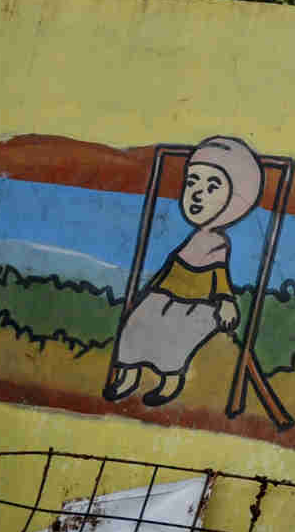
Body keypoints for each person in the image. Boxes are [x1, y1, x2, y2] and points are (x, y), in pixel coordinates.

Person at [104, 136, 263, 407]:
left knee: (177, 338)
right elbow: (171, 271)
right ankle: (128, 376)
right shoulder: (193, 238)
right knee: (135, 324)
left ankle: (170, 382)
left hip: (196, 305)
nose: (198, 193)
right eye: (192, 183)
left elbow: (219, 277)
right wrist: (151, 291)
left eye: (212, 186)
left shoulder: (218, 243)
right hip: (165, 296)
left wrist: (225, 302)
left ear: (236, 200)